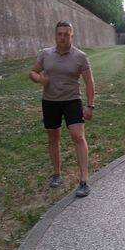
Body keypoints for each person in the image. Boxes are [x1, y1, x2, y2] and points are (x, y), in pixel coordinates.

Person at [29, 20, 96, 197]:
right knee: (53, 137)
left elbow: (89, 82)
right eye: (60, 34)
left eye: (66, 34)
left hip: (72, 100)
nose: (63, 37)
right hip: (50, 101)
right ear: (55, 35)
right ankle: (57, 174)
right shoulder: (45, 54)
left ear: (71, 36)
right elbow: (33, 72)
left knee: (77, 135)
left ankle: (84, 181)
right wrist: (39, 79)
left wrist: (90, 105)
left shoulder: (80, 56)